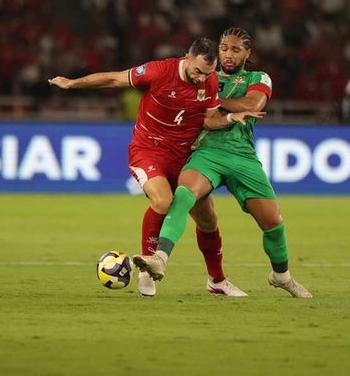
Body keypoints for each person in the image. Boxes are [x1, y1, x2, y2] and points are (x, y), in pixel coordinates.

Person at [49, 38, 263, 297]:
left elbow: (209, 120)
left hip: (185, 156)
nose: (201, 78)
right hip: (149, 151)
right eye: (198, 71)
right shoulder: (158, 71)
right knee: (163, 201)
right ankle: (147, 271)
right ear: (187, 57)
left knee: (208, 221)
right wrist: (73, 83)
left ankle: (217, 280)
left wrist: (230, 117)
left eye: (208, 73)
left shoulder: (210, 81)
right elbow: (115, 79)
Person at [133, 28, 312, 298]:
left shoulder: (256, 77)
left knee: (273, 223)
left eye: (236, 49)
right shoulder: (205, 75)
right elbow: (194, 106)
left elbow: (253, 102)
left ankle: (281, 276)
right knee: (183, 196)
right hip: (206, 152)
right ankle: (159, 258)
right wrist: (206, 99)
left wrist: (210, 99)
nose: (228, 54)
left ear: (247, 53)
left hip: (242, 156)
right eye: (224, 48)